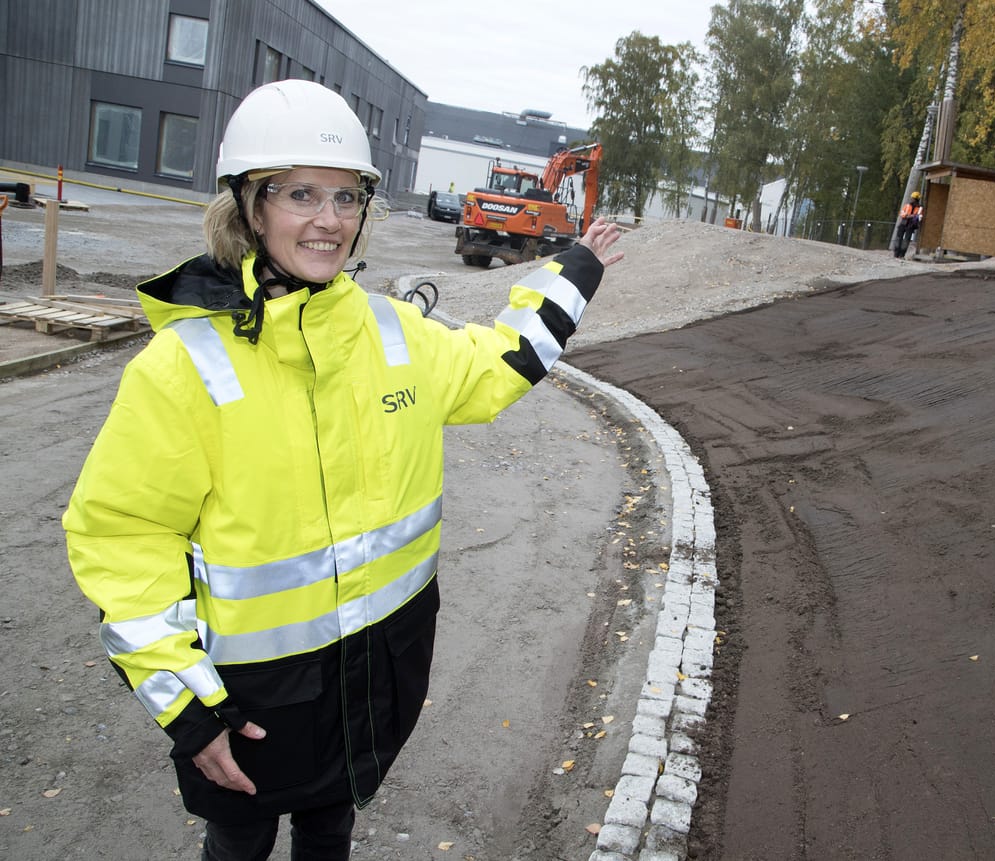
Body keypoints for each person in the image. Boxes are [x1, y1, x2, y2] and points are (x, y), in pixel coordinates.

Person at [62, 79, 623, 860]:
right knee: (239, 842)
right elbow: (119, 540)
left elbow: (498, 365)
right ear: (249, 207)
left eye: (346, 196)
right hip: (249, 702)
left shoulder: (393, 334)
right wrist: (187, 710)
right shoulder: (183, 367)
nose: (329, 220)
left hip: (372, 679)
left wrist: (576, 270)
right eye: (298, 193)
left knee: (332, 830)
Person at [894, 190, 923, 258]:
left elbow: (919, 217)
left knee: (906, 240)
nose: (911, 199)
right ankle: (896, 253)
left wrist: (912, 216)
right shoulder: (907, 206)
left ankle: (902, 254)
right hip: (903, 223)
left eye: (913, 198)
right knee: (898, 238)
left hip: (911, 225)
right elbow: (901, 213)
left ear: (916, 199)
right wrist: (909, 216)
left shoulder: (920, 208)